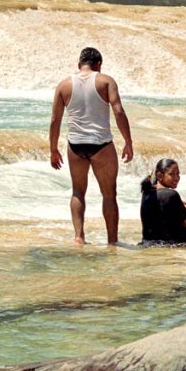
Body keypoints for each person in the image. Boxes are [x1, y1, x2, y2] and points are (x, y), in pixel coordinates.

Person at [50, 47, 134, 245]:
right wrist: (128, 142)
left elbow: (55, 119)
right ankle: (112, 241)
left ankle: (79, 237)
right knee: (109, 194)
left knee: (78, 191)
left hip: (75, 145)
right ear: (99, 64)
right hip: (101, 144)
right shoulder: (105, 81)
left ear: (79, 65)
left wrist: (53, 149)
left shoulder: (64, 85)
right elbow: (119, 111)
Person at [140, 158, 186, 245]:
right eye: (172, 174)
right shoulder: (172, 195)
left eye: (178, 174)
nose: (176, 178)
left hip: (147, 244)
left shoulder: (147, 193)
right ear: (160, 176)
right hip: (172, 246)